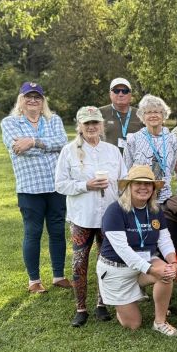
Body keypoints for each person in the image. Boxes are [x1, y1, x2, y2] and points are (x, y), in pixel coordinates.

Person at [55, 106, 127, 326]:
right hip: (82, 217)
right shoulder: (68, 151)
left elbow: (123, 181)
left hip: (109, 216)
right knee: (79, 262)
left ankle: (101, 304)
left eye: (95, 122)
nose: (92, 127)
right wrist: (86, 185)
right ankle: (81, 308)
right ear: (80, 126)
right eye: (87, 123)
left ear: (101, 124)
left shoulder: (112, 151)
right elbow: (60, 185)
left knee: (106, 261)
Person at [1, 81, 71, 293]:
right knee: (33, 232)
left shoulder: (54, 120)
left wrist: (32, 141)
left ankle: (58, 276)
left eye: (37, 97)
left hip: (55, 187)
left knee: (57, 231)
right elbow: (16, 147)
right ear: (21, 100)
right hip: (29, 189)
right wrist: (46, 145)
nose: (33, 100)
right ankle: (34, 281)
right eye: (28, 96)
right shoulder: (10, 122)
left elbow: (63, 142)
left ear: (43, 101)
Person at [96, 165, 177, 336]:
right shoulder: (115, 210)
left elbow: (164, 239)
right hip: (117, 268)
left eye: (148, 184)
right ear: (129, 186)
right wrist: (151, 269)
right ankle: (125, 299)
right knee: (133, 324)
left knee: (166, 272)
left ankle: (160, 322)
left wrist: (173, 262)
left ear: (153, 188)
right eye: (138, 183)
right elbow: (123, 251)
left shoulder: (155, 210)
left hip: (145, 261)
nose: (143, 187)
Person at [123, 94, 177, 203]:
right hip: (140, 196)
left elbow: (171, 167)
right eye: (148, 112)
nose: (153, 115)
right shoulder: (133, 139)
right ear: (142, 116)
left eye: (157, 112)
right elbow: (127, 169)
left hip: (164, 198)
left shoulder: (172, 139)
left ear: (164, 115)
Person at [100, 77, 142, 151]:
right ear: (110, 94)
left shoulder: (141, 114)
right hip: (108, 157)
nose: (120, 94)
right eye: (116, 91)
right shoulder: (99, 113)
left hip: (136, 158)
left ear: (130, 95)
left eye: (125, 91)